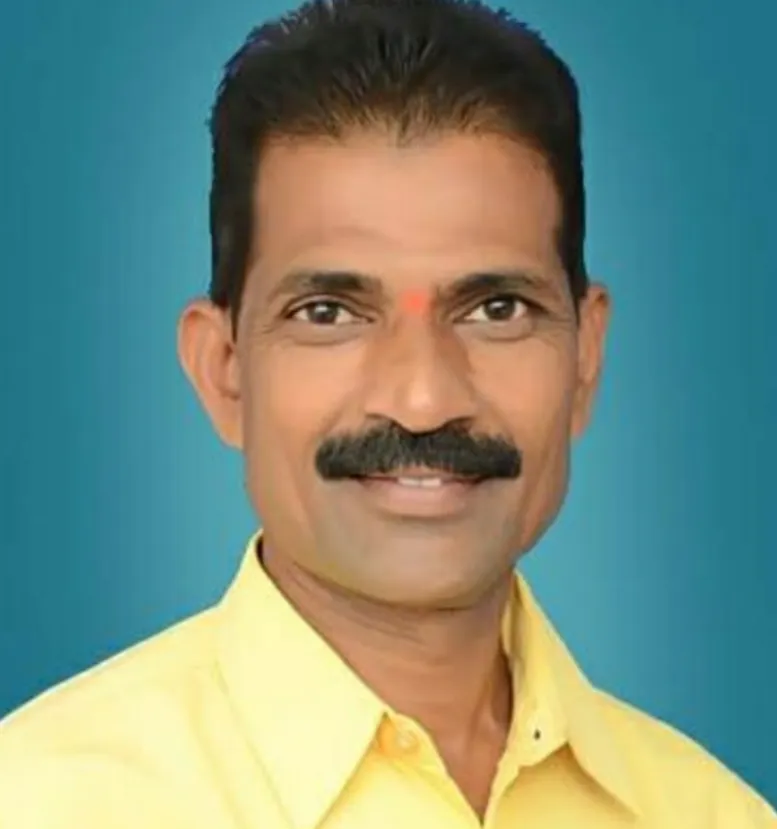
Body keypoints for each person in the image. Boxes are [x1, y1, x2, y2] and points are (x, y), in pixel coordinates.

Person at [0, 0, 774, 826]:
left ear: (584, 358)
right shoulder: (40, 801)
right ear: (223, 371)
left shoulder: (710, 812)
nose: (422, 398)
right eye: (329, 312)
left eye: (497, 309)